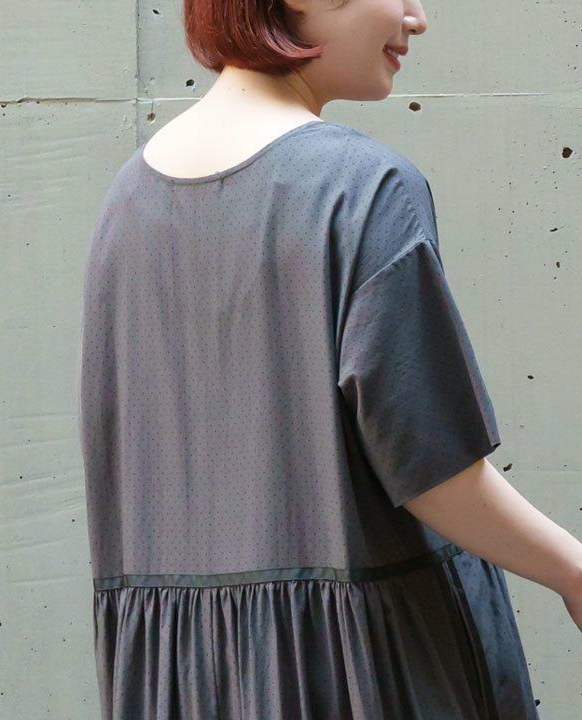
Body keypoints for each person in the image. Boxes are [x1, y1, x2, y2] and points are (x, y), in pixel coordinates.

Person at [77, 0, 582, 718]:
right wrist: (571, 570)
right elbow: (434, 471)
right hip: (363, 670)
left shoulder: (125, 202)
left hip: (184, 683)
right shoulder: (362, 188)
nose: (417, 17)